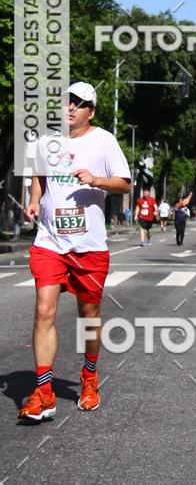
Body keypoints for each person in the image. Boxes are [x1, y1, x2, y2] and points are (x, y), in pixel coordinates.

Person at [19, 82, 130, 421]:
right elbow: (40, 174)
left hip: (88, 246)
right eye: (67, 102)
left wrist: (96, 180)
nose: (71, 108)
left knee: (89, 317)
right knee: (43, 310)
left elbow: (124, 182)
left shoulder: (104, 141)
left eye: (79, 104)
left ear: (90, 111)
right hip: (50, 241)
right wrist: (36, 200)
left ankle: (90, 376)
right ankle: (44, 391)